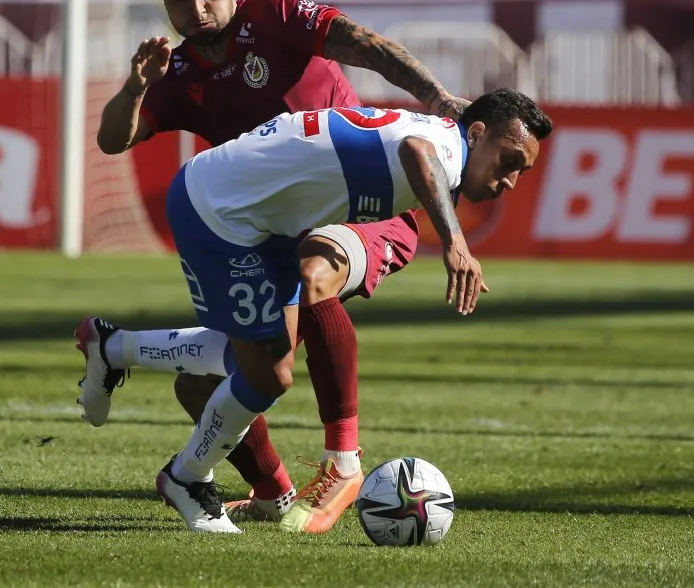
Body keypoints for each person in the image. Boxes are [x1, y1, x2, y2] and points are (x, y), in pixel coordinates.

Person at [76, 0, 469, 534]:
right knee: (204, 385)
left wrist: (437, 97)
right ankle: (271, 493)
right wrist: (136, 86)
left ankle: (343, 461)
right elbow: (112, 140)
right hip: (266, 234)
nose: (196, 8)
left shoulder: (277, 17)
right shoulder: (176, 73)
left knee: (314, 267)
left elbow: (367, 46)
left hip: (363, 209)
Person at [155, 89, 552, 532]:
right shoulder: (200, 70)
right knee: (212, 381)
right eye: (510, 162)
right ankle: (261, 489)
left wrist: (431, 90)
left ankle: (341, 461)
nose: (511, 181)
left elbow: (412, 141)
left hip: (362, 213)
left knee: (305, 291)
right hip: (268, 217)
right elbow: (416, 150)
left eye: (521, 170)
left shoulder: (429, 134)